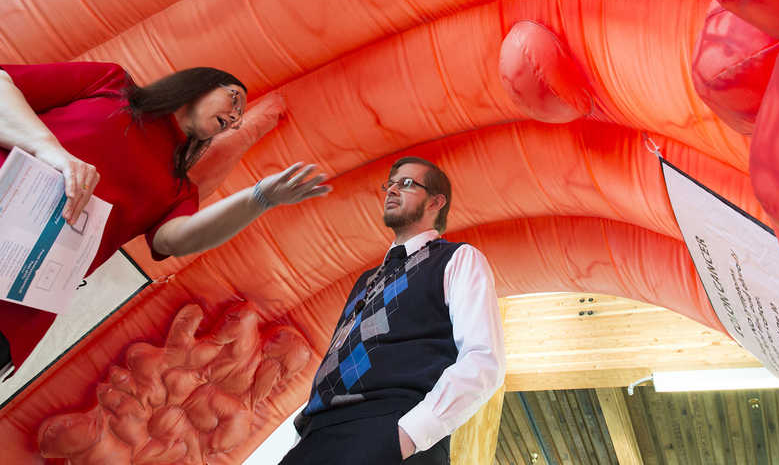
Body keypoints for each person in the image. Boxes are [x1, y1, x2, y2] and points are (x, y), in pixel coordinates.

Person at [0, 61, 330, 378]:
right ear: (201, 83)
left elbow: (176, 239)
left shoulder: (178, 189)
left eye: (238, 118)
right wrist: (48, 150)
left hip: (14, 307)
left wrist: (259, 198)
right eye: (234, 100)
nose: (234, 117)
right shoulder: (111, 84)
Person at [282, 157, 505, 464]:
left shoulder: (458, 258)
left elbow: (483, 360)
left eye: (408, 184)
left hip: (388, 429)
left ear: (436, 202)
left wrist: (408, 435)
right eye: (391, 184)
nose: (392, 191)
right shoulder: (365, 280)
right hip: (316, 438)